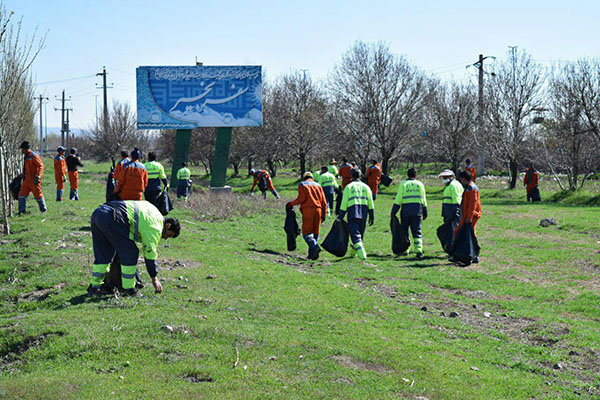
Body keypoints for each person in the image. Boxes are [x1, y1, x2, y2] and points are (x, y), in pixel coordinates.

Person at [88, 200, 180, 296]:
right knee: (131, 252)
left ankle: (94, 287)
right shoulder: (156, 226)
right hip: (114, 217)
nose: (165, 238)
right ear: (168, 226)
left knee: (104, 254)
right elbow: (149, 253)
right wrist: (154, 278)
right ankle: (129, 289)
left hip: (98, 213)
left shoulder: (154, 211)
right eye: (168, 235)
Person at [286, 172, 328, 260]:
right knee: (315, 232)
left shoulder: (302, 184)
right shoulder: (318, 185)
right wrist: (323, 214)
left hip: (308, 210)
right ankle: (312, 255)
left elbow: (301, 199)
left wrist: (291, 204)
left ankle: (315, 247)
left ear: (304, 177)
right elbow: (324, 202)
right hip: (318, 210)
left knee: (307, 233)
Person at [337, 168, 374, 261]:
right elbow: (371, 202)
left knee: (355, 235)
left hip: (353, 213)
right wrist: (372, 215)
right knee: (360, 234)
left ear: (351, 176)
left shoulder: (348, 187)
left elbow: (344, 203)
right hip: (364, 213)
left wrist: (340, 216)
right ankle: (353, 254)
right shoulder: (366, 187)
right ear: (360, 175)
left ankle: (362, 255)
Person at [391, 168, 428, 259]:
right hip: (417, 211)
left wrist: (393, 212)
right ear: (416, 175)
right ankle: (418, 251)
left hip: (405, 212)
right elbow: (423, 199)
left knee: (404, 231)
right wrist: (425, 211)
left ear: (407, 175)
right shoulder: (420, 184)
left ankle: (405, 250)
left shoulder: (403, 184)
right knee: (417, 231)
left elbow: (398, 199)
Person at [453, 170, 482, 262]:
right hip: (467, 216)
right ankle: (462, 254)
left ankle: (474, 254)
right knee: (468, 234)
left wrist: (469, 217)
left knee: (462, 233)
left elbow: (472, 204)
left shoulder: (471, 188)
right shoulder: (470, 187)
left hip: (470, 217)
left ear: (463, 179)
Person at [18, 141, 46, 214]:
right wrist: (23, 174)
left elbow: (40, 166)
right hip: (27, 180)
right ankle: (21, 211)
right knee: (21, 195)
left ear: (26, 149)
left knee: (38, 195)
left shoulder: (34, 156)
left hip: (34, 180)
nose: (21, 151)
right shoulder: (26, 156)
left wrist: (38, 175)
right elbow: (27, 168)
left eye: (22, 149)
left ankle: (43, 210)